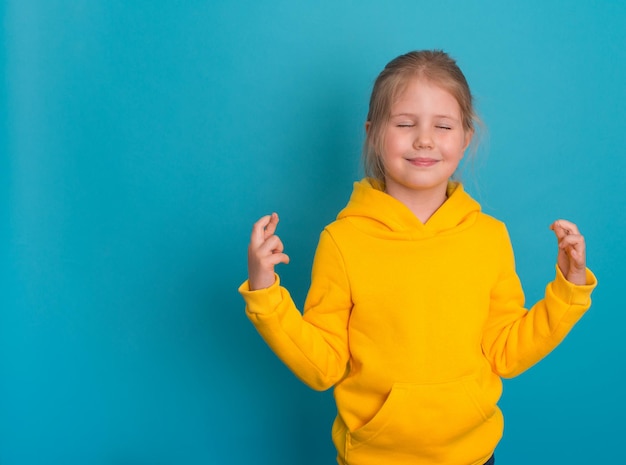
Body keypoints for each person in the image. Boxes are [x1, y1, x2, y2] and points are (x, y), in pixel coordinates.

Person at [238, 50, 597, 465]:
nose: (424, 139)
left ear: (466, 138)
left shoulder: (489, 237)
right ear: (373, 134)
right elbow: (324, 366)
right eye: (405, 124)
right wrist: (265, 294)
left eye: (443, 126)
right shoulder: (342, 241)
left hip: (473, 456)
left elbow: (506, 352)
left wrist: (568, 292)